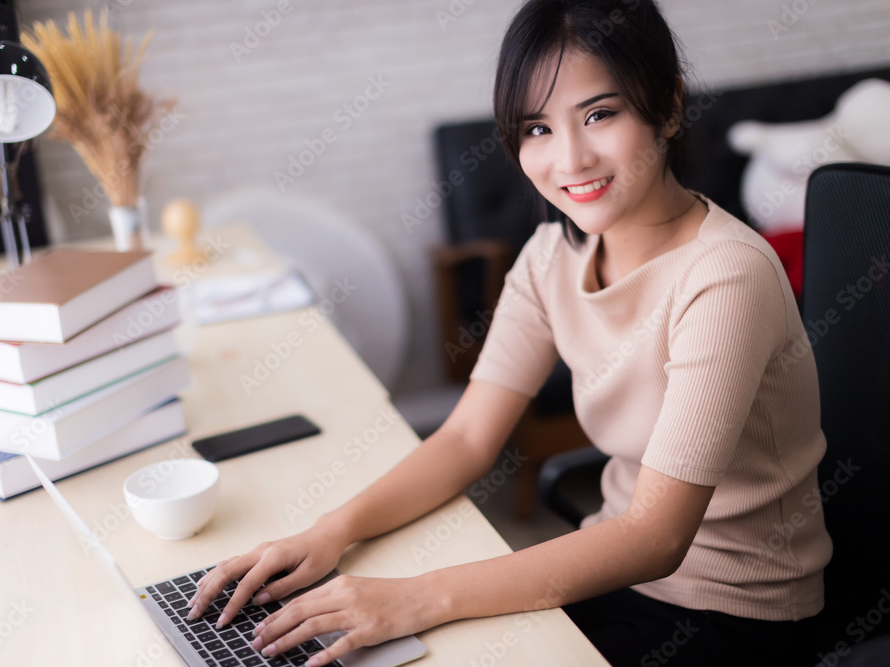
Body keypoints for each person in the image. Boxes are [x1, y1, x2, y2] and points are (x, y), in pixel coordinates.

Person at [186, 1, 833, 665]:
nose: (570, 158)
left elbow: (656, 536)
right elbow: (468, 437)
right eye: (537, 128)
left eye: (600, 114)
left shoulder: (725, 275)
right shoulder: (551, 257)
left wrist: (417, 595)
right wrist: (330, 533)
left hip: (737, 616)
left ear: (667, 107)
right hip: (615, 570)